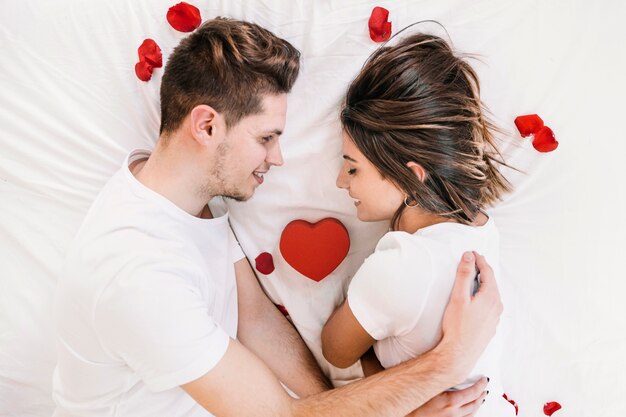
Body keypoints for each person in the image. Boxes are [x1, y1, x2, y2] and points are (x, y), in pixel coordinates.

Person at [53, 18, 502, 417]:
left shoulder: (183, 199)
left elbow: (256, 321)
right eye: (266, 137)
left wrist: (376, 401)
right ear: (206, 125)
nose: (279, 157)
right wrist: (450, 361)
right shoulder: (136, 275)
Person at [321, 32, 514, 416]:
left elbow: (335, 350)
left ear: (411, 176)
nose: (341, 182)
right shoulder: (480, 227)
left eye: (353, 167)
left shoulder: (402, 265)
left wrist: (402, 399)